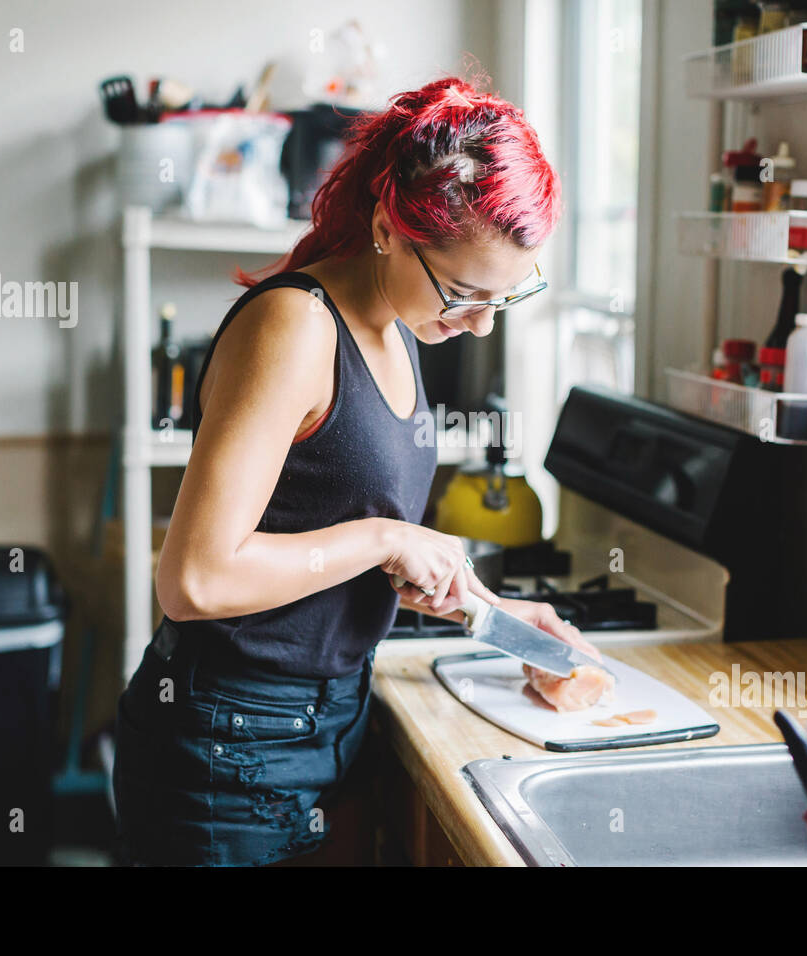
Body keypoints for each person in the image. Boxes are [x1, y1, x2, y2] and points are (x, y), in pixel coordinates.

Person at [112, 75, 598, 866]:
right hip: (227, 749)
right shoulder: (295, 328)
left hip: (325, 723)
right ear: (387, 227)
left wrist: (493, 616)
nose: (477, 324)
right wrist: (382, 538)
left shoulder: (402, 324)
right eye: (465, 293)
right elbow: (195, 579)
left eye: (503, 300)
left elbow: (324, 539)